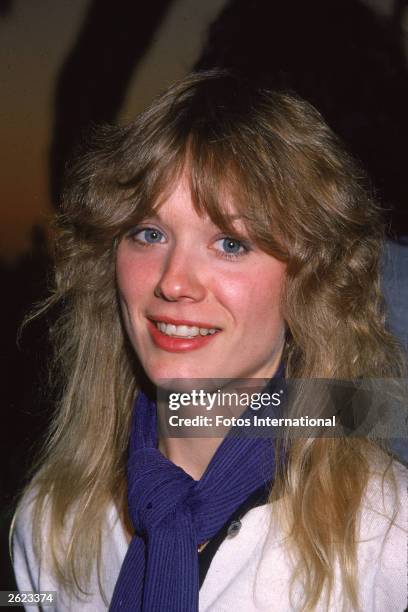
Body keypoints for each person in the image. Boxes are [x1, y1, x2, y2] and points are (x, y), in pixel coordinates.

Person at [12, 71, 407, 611]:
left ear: (309, 280)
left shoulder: (387, 542)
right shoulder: (47, 523)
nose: (173, 281)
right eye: (148, 234)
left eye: (230, 243)